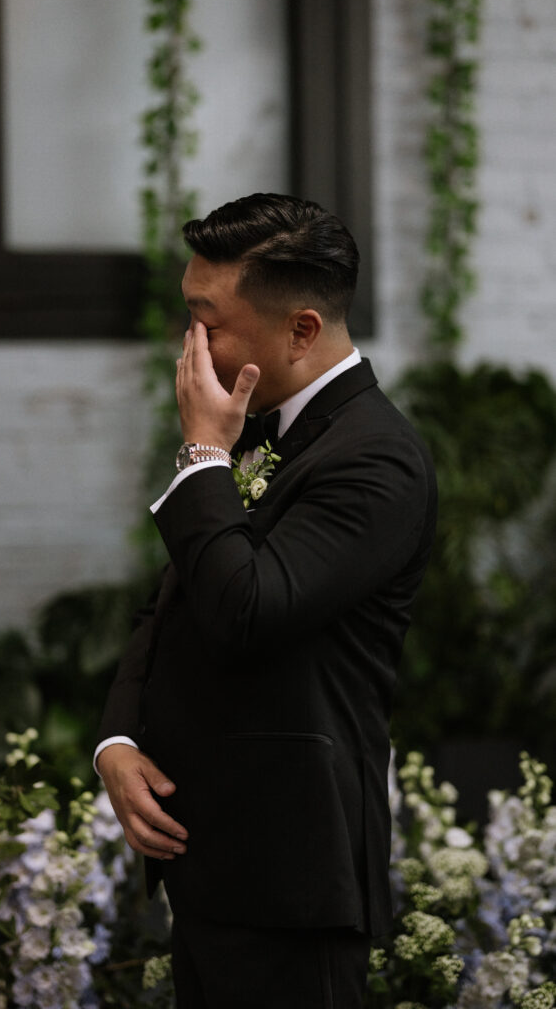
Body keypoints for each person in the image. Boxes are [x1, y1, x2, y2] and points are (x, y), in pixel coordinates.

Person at [94, 193, 437, 1008]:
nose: (191, 344)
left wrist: (204, 451)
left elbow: (247, 611)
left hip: (292, 876)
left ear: (303, 330)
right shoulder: (255, 429)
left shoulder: (376, 460)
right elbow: (172, 602)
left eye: (207, 320)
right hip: (212, 860)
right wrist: (117, 736)